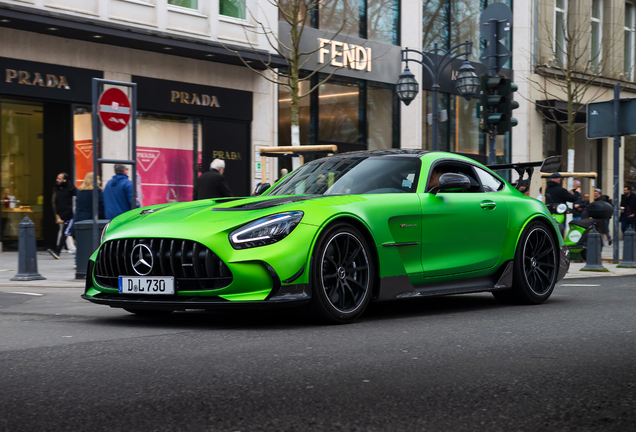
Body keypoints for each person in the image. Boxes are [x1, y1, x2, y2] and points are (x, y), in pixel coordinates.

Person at [47, 172, 76, 260]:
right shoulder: (58, 189)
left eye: (59, 178)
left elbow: (75, 201)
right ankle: (59, 250)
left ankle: (58, 250)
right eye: (57, 178)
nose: (57, 180)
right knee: (64, 232)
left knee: (65, 233)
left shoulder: (71, 188)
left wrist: (73, 213)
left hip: (70, 215)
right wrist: (57, 214)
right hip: (62, 215)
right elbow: (56, 202)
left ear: (64, 180)